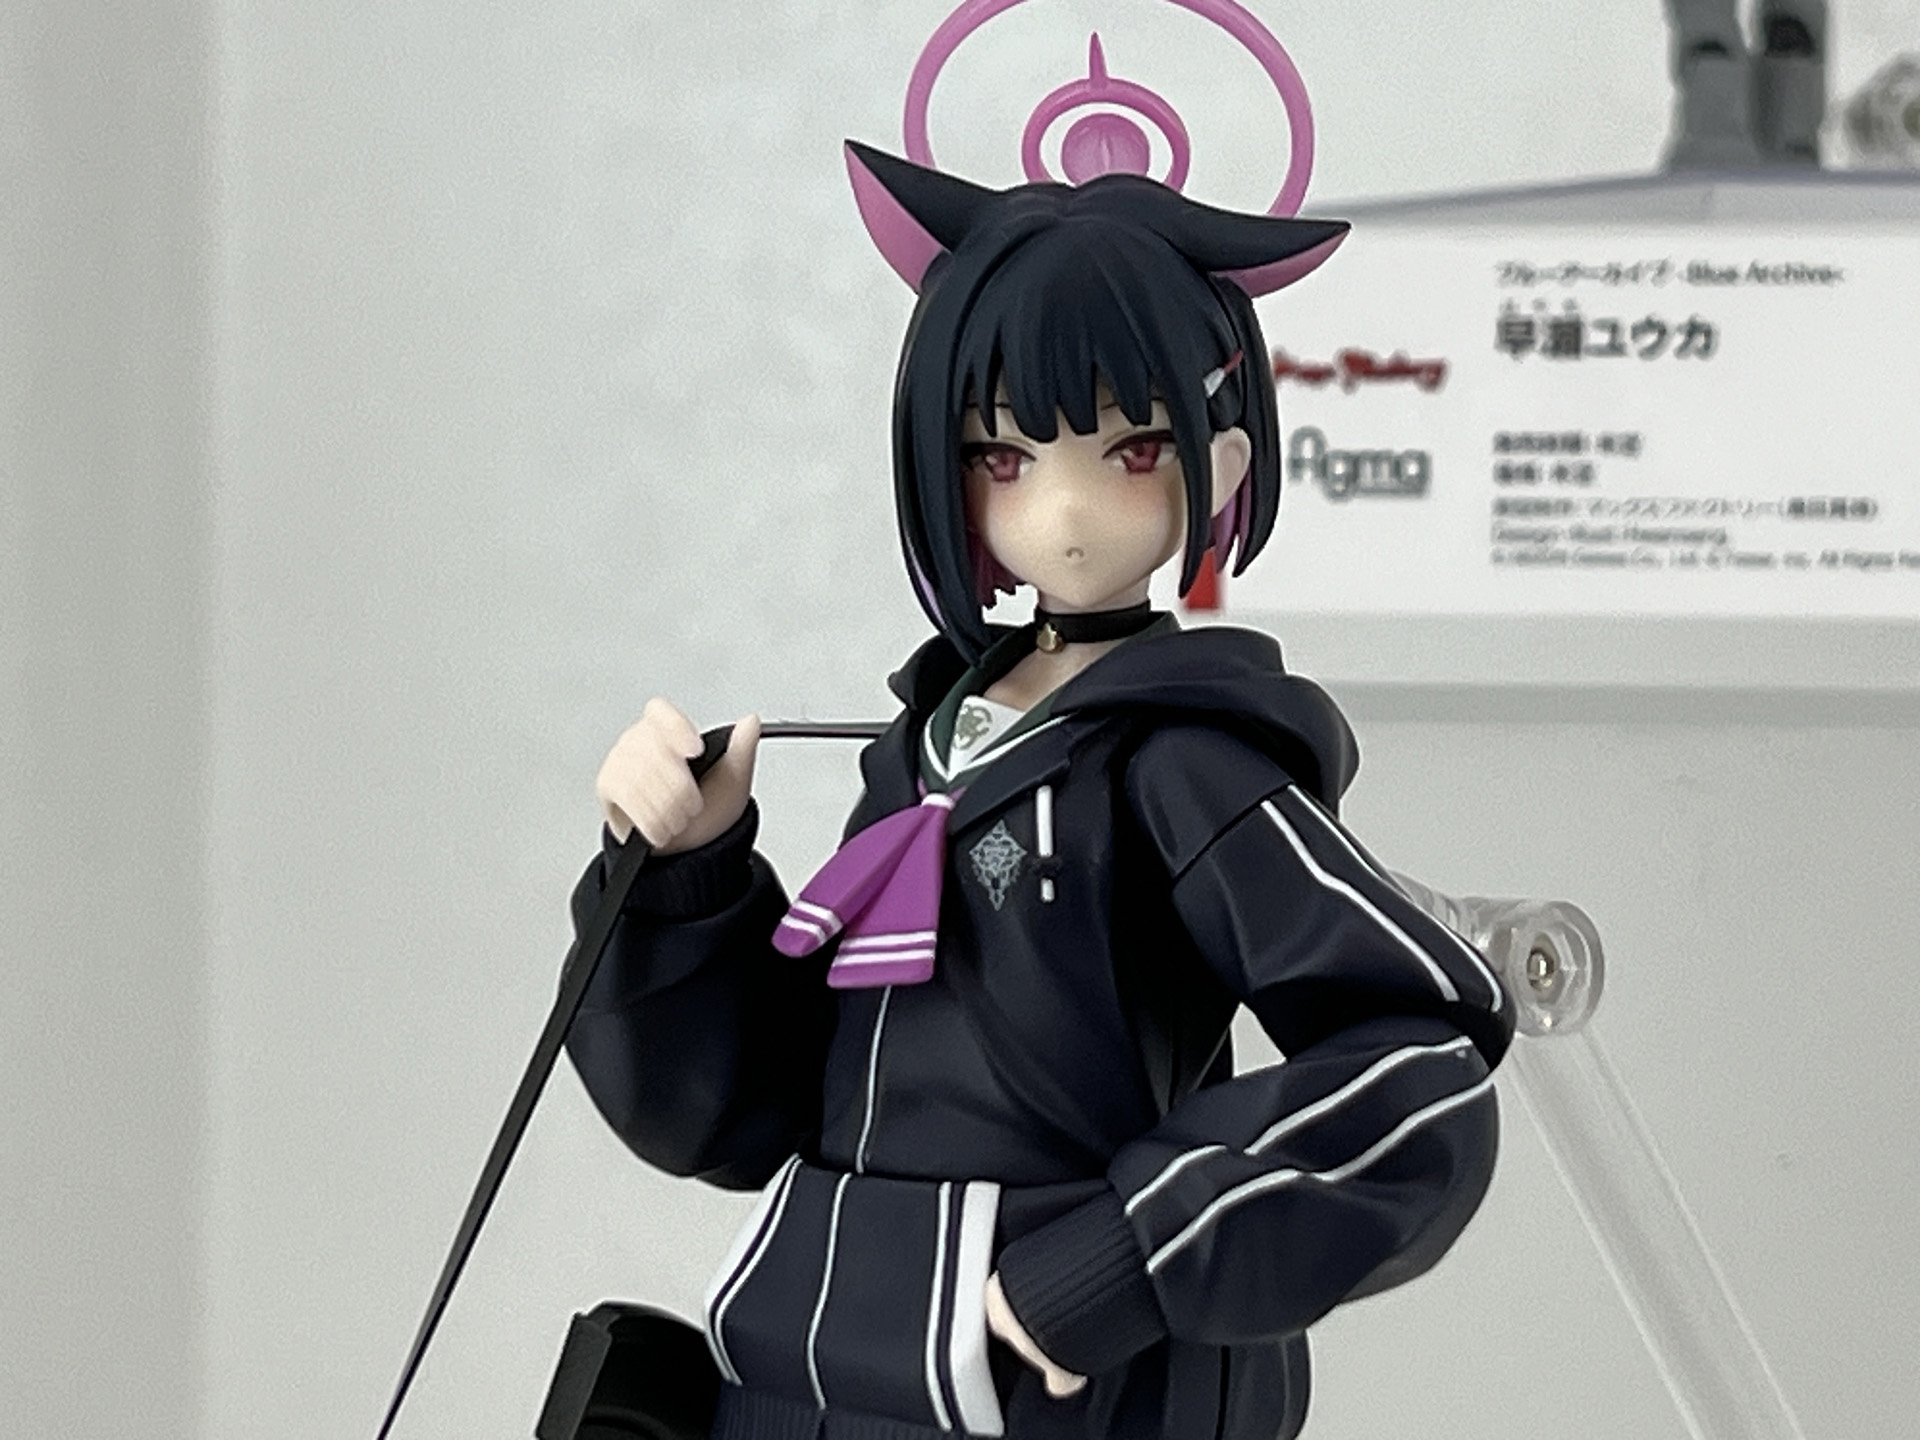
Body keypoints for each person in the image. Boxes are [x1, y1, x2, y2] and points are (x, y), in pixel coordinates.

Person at [566, 141, 1513, 1440]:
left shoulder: (1186, 764)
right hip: (815, 1340)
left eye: (1132, 448)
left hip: (1049, 1375)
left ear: (1223, 460)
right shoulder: (925, 749)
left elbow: (1420, 1060)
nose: (1066, 513)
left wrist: (1135, 1251)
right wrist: (687, 877)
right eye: (1004, 457)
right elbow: (748, 1109)